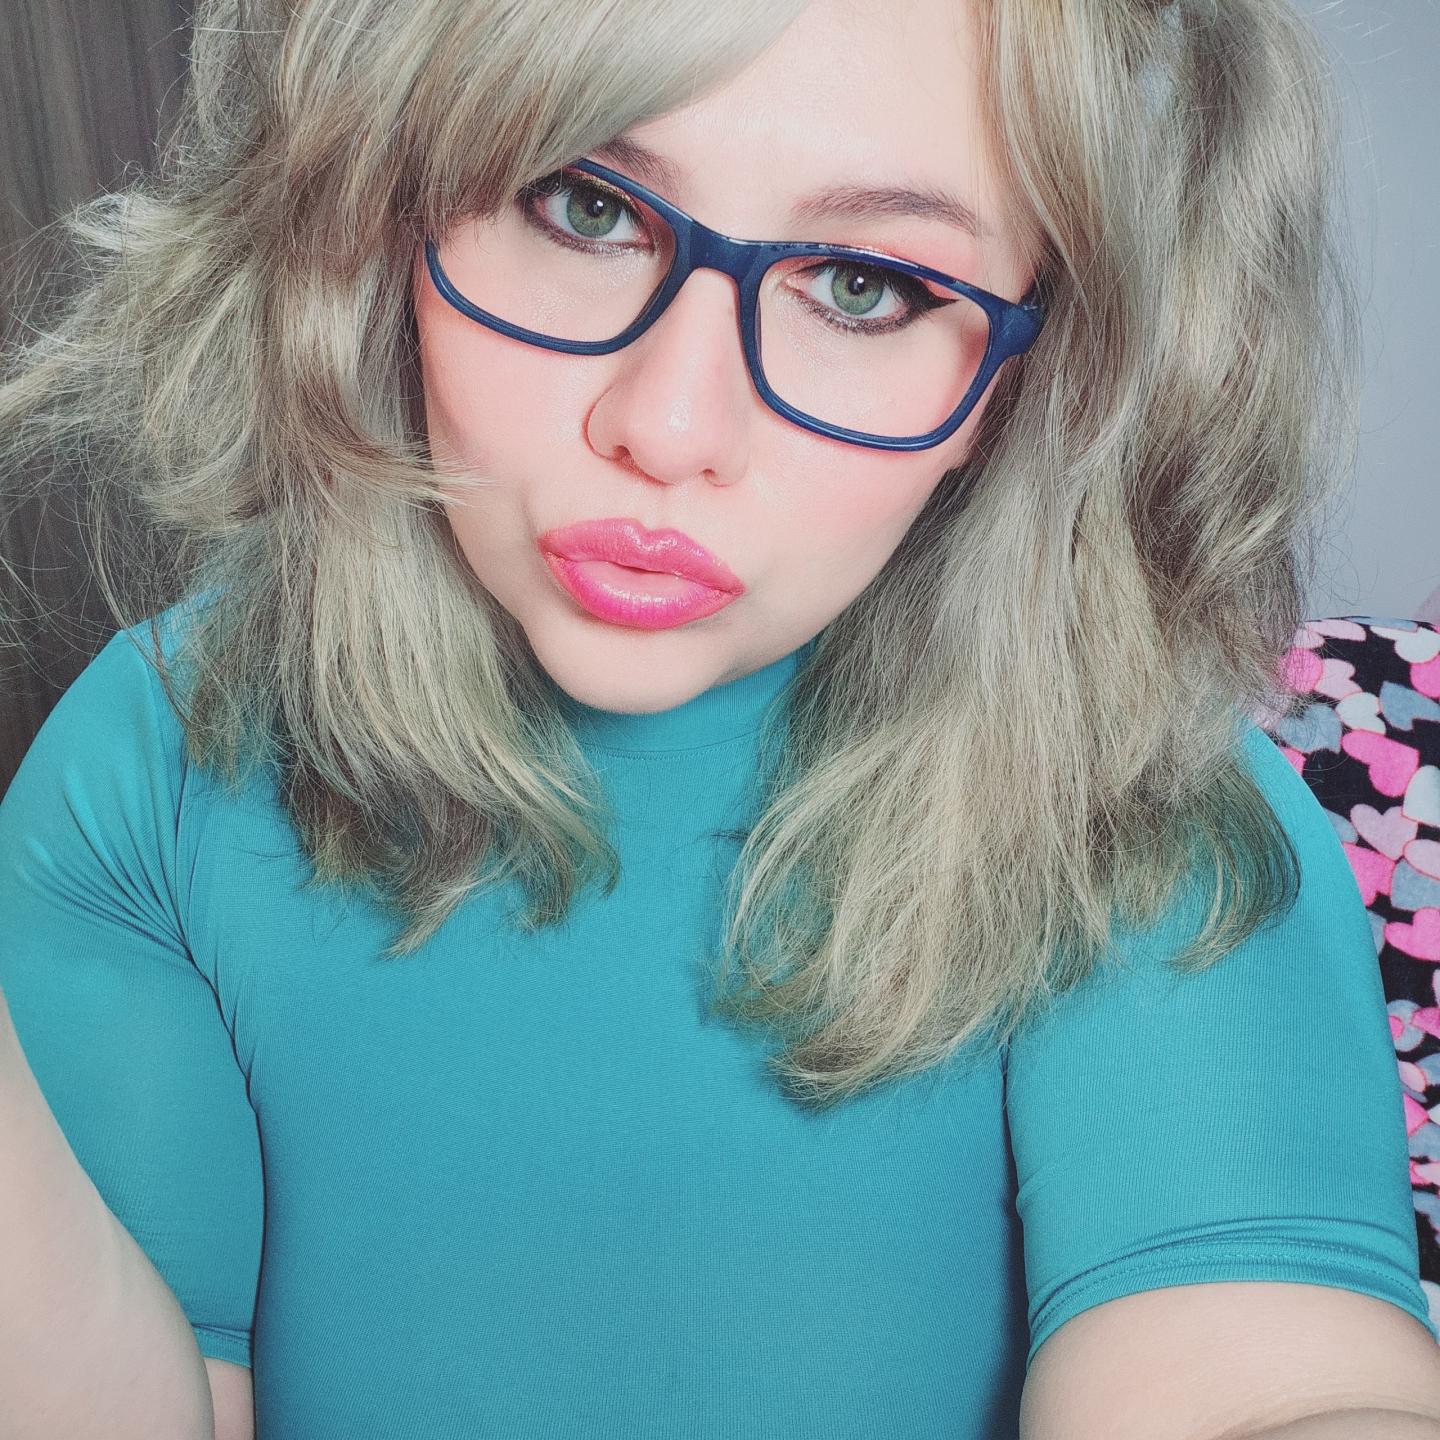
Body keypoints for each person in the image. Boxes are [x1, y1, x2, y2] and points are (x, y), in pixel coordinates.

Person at [2, 0, 1438, 1436]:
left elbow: (1270, 1385)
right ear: (380, 214)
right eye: (583, 205)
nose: (670, 426)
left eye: (865, 288)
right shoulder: (158, 760)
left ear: (1021, 382)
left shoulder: (1144, 803)